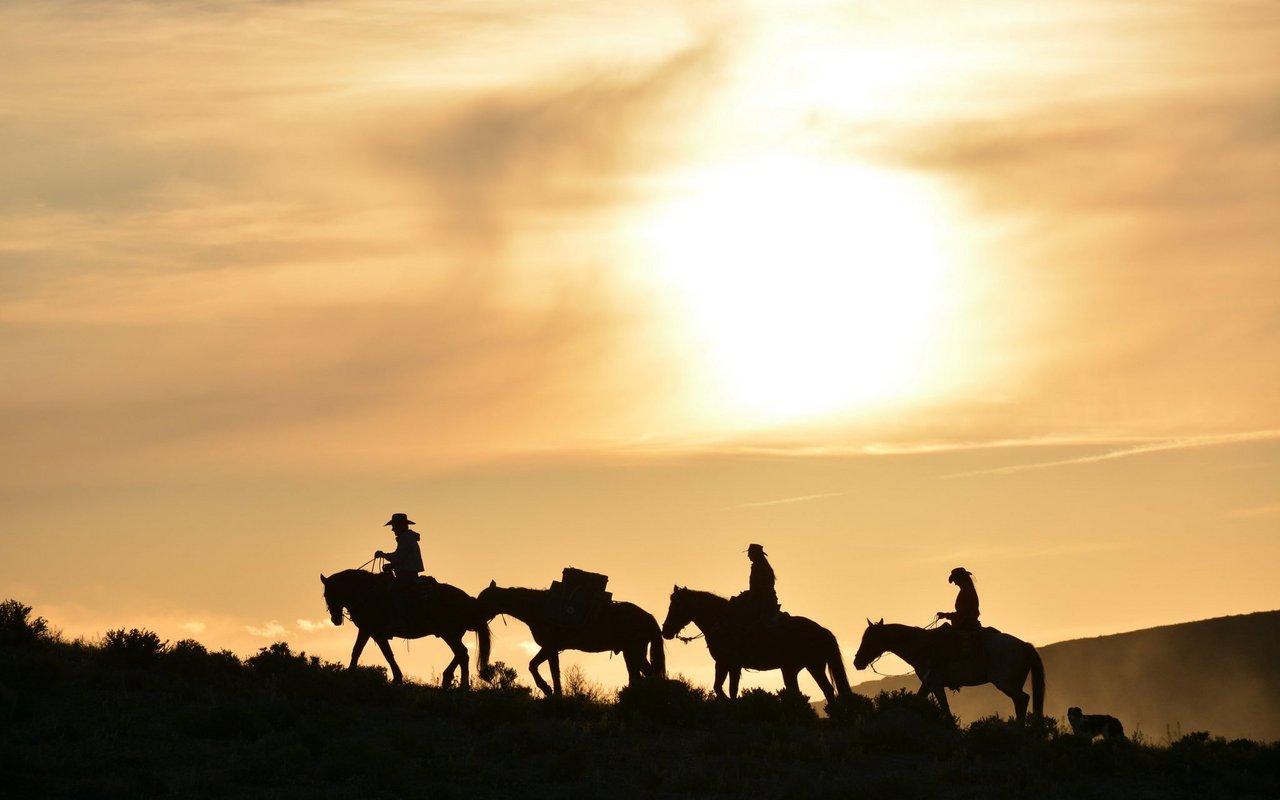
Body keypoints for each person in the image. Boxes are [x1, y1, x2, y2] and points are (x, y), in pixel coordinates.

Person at [375, 513, 424, 629]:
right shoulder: (407, 538)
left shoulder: (406, 538)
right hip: (408, 572)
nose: (392, 529)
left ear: (400, 526)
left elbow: (398, 557)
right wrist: (392, 565)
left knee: (393, 590)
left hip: (407, 575)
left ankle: (401, 619)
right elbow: (403, 558)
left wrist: (383, 555)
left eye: (394, 526)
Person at [935, 566, 982, 667]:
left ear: (960, 579)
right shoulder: (968, 590)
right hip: (967, 622)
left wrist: (946, 615)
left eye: (955, 580)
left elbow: (963, 613)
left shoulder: (966, 592)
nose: (955, 583)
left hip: (966, 623)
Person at [732, 543, 780, 627]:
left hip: (763, 599)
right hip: (761, 597)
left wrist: (748, 594)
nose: (748, 555)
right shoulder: (760, 566)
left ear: (755, 554)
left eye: (750, 553)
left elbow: (761, 588)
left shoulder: (760, 567)